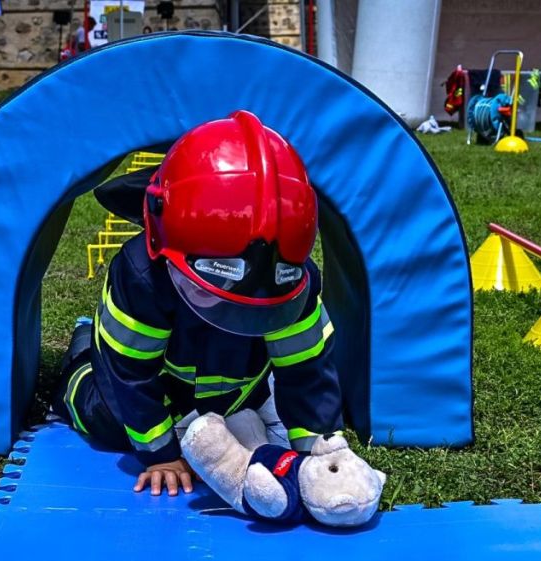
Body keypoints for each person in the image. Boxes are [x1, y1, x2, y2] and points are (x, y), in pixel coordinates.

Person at [51, 110, 343, 497]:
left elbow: (309, 372)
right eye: (212, 292)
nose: (238, 313)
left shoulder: (291, 280)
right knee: (107, 422)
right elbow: (130, 375)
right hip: (134, 386)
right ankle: (84, 346)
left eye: (261, 303)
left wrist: (318, 454)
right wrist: (159, 454)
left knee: (241, 420)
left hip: (232, 388)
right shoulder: (141, 276)